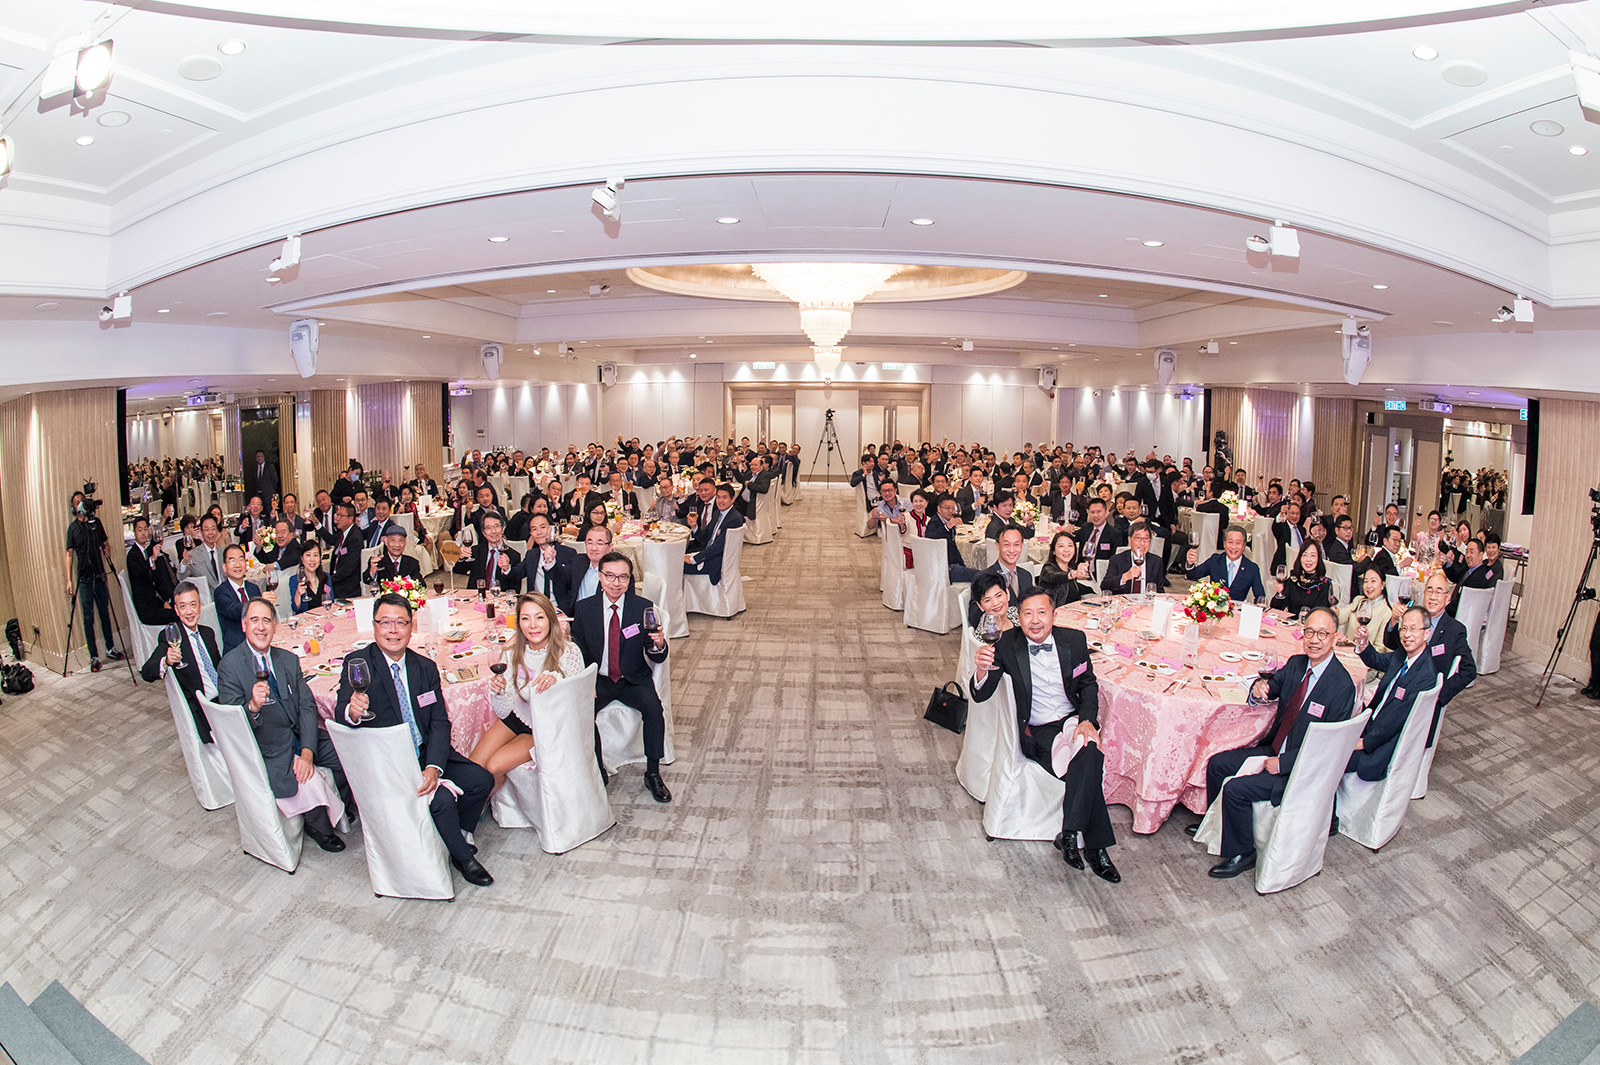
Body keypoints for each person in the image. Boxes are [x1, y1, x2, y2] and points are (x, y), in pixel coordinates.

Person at [336, 594, 496, 886]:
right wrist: (352, 711)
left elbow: (439, 722)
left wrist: (433, 766)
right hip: (390, 760)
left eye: (401, 623)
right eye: (385, 623)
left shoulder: (424, 667)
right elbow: (341, 712)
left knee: (481, 780)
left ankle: (455, 834)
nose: (393, 630)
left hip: (424, 752)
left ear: (412, 627)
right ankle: (463, 857)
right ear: (374, 625)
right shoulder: (359, 664)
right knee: (442, 799)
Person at [1194, 607, 1357, 878]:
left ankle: (1242, 853)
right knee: (1217, 764)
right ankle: (1216, 823)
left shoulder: (1341, 686)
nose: (1314, 640)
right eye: (1309, 632)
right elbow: (1269, 689)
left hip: (1300, 768)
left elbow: (1330, 749)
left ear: (1335, 637)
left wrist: (1284, 763)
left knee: (1235, 790)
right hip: (1275, 747)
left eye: (1322, 634)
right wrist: (1259, 688)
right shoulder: (1296, 664)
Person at [971, 588, 1120, 883]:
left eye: (1042, 613)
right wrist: (980, 670)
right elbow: (980, 694)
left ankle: (1069, 834)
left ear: (1054, 614)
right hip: (1039, 730)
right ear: (1019, 617)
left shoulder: (1074, 639)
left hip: (1072, 720)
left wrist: (1087, 720)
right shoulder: (1006, 645)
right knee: (1088, 763)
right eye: (1027, 614)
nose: (1035, 620)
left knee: (1089, 749)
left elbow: (1088, 683)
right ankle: (1096, 848)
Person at [218, 599, 352, 853]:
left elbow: (307, 706)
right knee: (305, 782)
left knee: (347, 753)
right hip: (268, 746)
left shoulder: (287, 659)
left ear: (275, 626)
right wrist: (252, 707)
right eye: (254, 620)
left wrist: (308, 752)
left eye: (266, 620)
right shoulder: (230, 666)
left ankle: (342, 803)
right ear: (244, 625)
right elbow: (231, 727)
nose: (261, 627)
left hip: (301, 737)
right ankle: (318, 826)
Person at [571, 552, 673, 802]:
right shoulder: (585, 609)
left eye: (623, 577)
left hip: (633, 678)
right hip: (599, 680)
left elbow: (657, 656)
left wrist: (659, 644)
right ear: (600, 576)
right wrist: (586, 682)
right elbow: (578, 651)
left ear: (630, 579)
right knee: (580, 713)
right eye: (610, 576)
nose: (616, 583)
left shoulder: (643, 607)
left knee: (654, 711)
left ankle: (653, 773)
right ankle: (597, 769)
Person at [471, 592, 587, 790]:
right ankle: (475, 804)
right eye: (525, 618)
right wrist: (500, 692)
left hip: (545, 726)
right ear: (519, 623)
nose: (533, 625)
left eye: (539, 617)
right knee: (473, 767)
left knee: (493, 767)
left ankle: (480, 806)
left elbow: (578, 703)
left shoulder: (568, 652)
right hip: (517, 717)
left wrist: (557, 682)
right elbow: (503, 713)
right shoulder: (510, 654)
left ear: (550, 619)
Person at [1381, 572, 1476, 745]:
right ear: (1423, 594)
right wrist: (1394, 620)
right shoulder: (1414, 617)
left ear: (1448, 598)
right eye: (1429, 591)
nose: (1433, 596)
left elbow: (1469, 671)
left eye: (1439, 592)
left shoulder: (1455, 630)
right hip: (1399, 691)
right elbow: (1391, 644)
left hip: (1423, 704)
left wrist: (1438, 694)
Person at [1346, 605, 1437, 784]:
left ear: (1427, 633)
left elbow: (1397, 720)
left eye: (1413, 629)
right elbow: (1377, 660)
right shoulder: (1403, 655)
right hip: (1370, 721)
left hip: (1380, 743)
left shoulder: (1425, 676)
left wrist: (1364, 742)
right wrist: (1363, 643)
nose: (1407, 635)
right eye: (1403, 629)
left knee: (1332, 758)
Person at [139, 581, 221, 743]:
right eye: (183, 606)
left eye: (193, 605)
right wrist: (166, 660)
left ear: (200, 607)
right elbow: (147, 672)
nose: (189, 611)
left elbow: (219, 669)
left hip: (225, 699)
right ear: (176, 610)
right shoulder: (171, 638)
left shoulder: (207, 633)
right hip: (205, 710)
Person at [63, 493, 123, 671]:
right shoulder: (73, 528)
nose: (80, 504)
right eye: (76, 502)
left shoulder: (95, 523)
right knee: (88, 618)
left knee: (104, 612)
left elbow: (105, 543)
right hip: (84, 580)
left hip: (100, 575)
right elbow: (69, 554)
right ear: (73, 508)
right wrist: (68, 580)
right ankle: (94, 656)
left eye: (81, 501)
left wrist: (107, 550)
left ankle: (110, 648)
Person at [1185, 526, 1266, 602]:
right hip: (1215, 609)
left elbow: (1260, 596)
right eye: (1230, 542)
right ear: (1224, 544)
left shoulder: (1252, 568)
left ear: (1244, 545)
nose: (1233, 547)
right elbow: (1192, 575)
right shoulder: (1215, 561)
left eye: (1238, 543)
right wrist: (1190, 564)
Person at [683, 484, 744, 583]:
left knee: (677, 565)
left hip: (716, 563)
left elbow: (718, 547)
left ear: (732, 499)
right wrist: (694, 526)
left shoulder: (734, 519)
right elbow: (705, 537)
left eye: (724, 497)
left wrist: (694, 559)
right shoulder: (717, 513)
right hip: (708, 553)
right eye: (718, 497)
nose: (720, 501)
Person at [1339, 568, 1394, 678]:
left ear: (1383, 584)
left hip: (1366, 665)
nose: (1368, 586)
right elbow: (1342, 615)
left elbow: (1379, 650)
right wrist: (1333, 613)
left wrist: (1362, 646)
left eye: (1373, 581)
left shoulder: (1386, 612)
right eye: (1366, 581)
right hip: (1347, 655)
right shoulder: (1359, 601)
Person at [126, 516, 178, 626]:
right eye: (140, 530)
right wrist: (152, 560)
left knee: (179, 608)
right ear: (134, 532)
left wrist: (164, 601)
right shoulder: (132, 555)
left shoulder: (146, 551)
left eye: (145, 529)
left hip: (155, 602)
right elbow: (139, 573)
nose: (143, 533)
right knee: (176, 615)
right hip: (146, 609)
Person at [213, 545, 262, 655]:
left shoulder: (253, 588)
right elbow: (234, 610)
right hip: (236, 650)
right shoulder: (220, 592)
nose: (237, 565)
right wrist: (258, 604)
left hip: (259, 645)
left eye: (241, 559)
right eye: (232, 561)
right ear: (224, 567)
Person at [1101, 521, 1167, 594]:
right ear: (1130, 540)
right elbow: (1104, 585)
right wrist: (1125, 577)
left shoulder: (1156, 561)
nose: (1142, 543)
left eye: (1146, 539)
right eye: (1138, 538)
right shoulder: (1117, 560)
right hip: (1124, 600)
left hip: (1147, 600)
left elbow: (1160, 591)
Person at [1269, 541, 1334, 615]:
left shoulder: (1325, 584)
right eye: (1304, 555)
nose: (1308, 559)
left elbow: (1324, 614)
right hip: (1292, 621)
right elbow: (1275, 610)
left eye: (1312, 555)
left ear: (1318, 559)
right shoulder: (1293, 580)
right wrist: (1280, 593)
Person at [1036, 530, 1094, 607]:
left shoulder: (1069, 570)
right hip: (1053, 612)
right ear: (1053, 551)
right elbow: (1054, 577)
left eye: (1070, 546)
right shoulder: (1047, 569)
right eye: (1061, 546)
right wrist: (1074, 574)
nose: (1066, 550)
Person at [325, 502, 364, 600]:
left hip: (347, 590)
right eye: (337, 515)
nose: (337, 518)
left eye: (341, 516)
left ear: (350, 519)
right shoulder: (342, 533)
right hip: (337, 584)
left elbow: (348, 568)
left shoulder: (355, 538)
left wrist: (328, 580)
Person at [1074, 498, 1125, 568]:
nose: (1095, 515)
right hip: (1081, 570)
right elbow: (1073, 537)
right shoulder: (1085, 528)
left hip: (1102, 571)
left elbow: (1116, 560)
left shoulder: (1114, 534)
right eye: (1092, 512)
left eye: (1099, 512)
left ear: (1106, 513)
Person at [289, 540, 331, 614]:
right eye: (308, 555)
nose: (312, 559)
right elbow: (296, 609)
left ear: (320, 558)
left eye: (315, 555)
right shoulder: (295, 580)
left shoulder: (326, 577)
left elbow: (331, 601)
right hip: (307, 619)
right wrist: (298, 594)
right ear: (302, 558)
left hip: (324, 617)